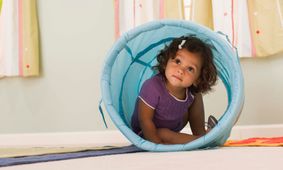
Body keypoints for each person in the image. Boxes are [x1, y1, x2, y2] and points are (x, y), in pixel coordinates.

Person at [131, 35, 218, 144]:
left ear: (198, 79)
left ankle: (201, 134)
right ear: (166, 61)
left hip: (174, 123)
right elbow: (144, 121)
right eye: (177, 61)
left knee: (196, 94)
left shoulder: (191, 91)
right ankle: (203, 141)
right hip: (147, 132)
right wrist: (156, 146)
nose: (181, 70)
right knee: (163, 133)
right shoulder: (152, 87)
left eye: (190, 69)